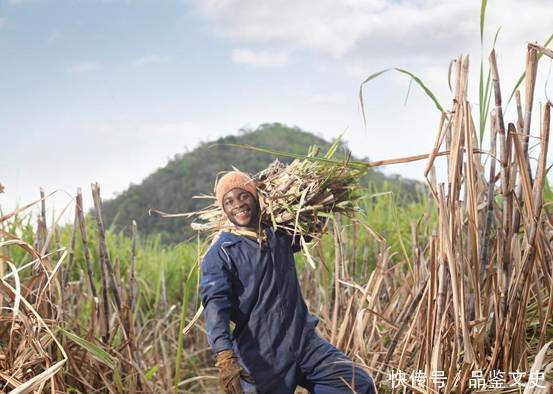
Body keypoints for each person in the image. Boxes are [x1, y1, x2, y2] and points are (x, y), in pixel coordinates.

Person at [200, 170, 376, 394]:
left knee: (358, 385)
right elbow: (215, 304)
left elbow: (309, 230)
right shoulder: (221, 253)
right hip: (262, 354)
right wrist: (224, 355)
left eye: (243, 196)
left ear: (256, 198)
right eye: (229, 201)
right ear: (224, 209)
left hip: (304, 342)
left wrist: (319, 196)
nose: (238, 204)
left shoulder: (278, 234)